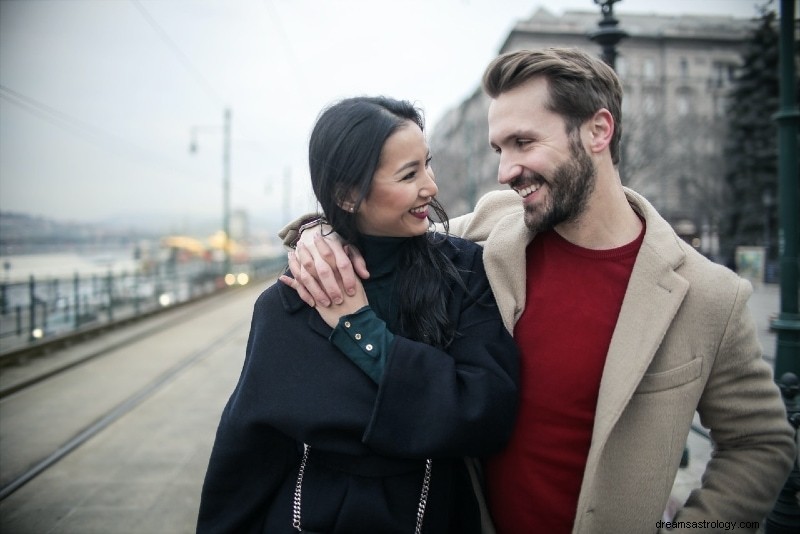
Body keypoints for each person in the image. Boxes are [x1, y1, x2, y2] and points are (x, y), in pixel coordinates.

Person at [282, 48, 796, 533]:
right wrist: (316, 232)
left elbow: (761, 442)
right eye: (499, 148)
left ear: (598, 130)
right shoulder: (488, 230)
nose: (506, 172)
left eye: (524, 143)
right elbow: (384, 224)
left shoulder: (709, 295)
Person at [196, 96, 519, 534]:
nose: (431, 186)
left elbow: (487, 411)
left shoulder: (461, 273)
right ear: (348, 194)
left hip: (434, 514)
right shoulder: (287, 302)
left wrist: (361, 330)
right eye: (409, 174)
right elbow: (247, 450)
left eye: (428, 164)